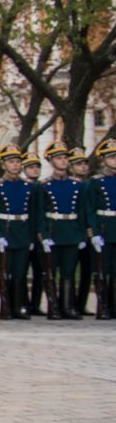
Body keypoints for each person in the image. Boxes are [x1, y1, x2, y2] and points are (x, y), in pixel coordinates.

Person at [35, 141, 88, 320]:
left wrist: (81, 234)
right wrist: (43, 236)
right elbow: (39, 214)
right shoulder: (43, 186)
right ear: (51, 161)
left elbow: (82, 212)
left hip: (71, 230)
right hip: (53, 231)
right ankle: (54, 306)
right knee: (51, 272)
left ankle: (67, 306)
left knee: (69, 271)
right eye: (59, 158)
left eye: (65, 158)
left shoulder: (77, 185)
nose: (64, 161)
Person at [0, 144, 36, 320]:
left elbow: (32, 214)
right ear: (3, 165)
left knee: (20, 272)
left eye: (17, 162)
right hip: (4, 231)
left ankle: (18, 306)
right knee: (4, 272)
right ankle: (5, 306)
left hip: (21, 231)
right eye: (11, 162)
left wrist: (31, 236)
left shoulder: (28, 186)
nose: (15, 165)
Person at [83, 137, 115, 319]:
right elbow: (89, 210)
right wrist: (93, 233)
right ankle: (103, 306)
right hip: (104, 228)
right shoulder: (95, 182)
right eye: (111, 157)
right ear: (104, 160)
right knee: (103, 269)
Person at [70, 146, 95, 314]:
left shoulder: (91, 184)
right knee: (70, 270)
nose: (83, 167)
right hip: (72, 232)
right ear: (71, 167)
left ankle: (82, 303)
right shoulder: (70, 185)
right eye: (78, 164)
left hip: (89, 234)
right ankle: (70, 303)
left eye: (85, 163)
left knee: (87, 270)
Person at [24, 150, 47, 315]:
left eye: (37, 167)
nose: (35, 170)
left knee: (40, 272)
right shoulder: (24, 187)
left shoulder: (43, 187)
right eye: (31, 167)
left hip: (40, 236)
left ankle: (36, 304)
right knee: (22, 271)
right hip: (24, 235)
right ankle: (23, 303)